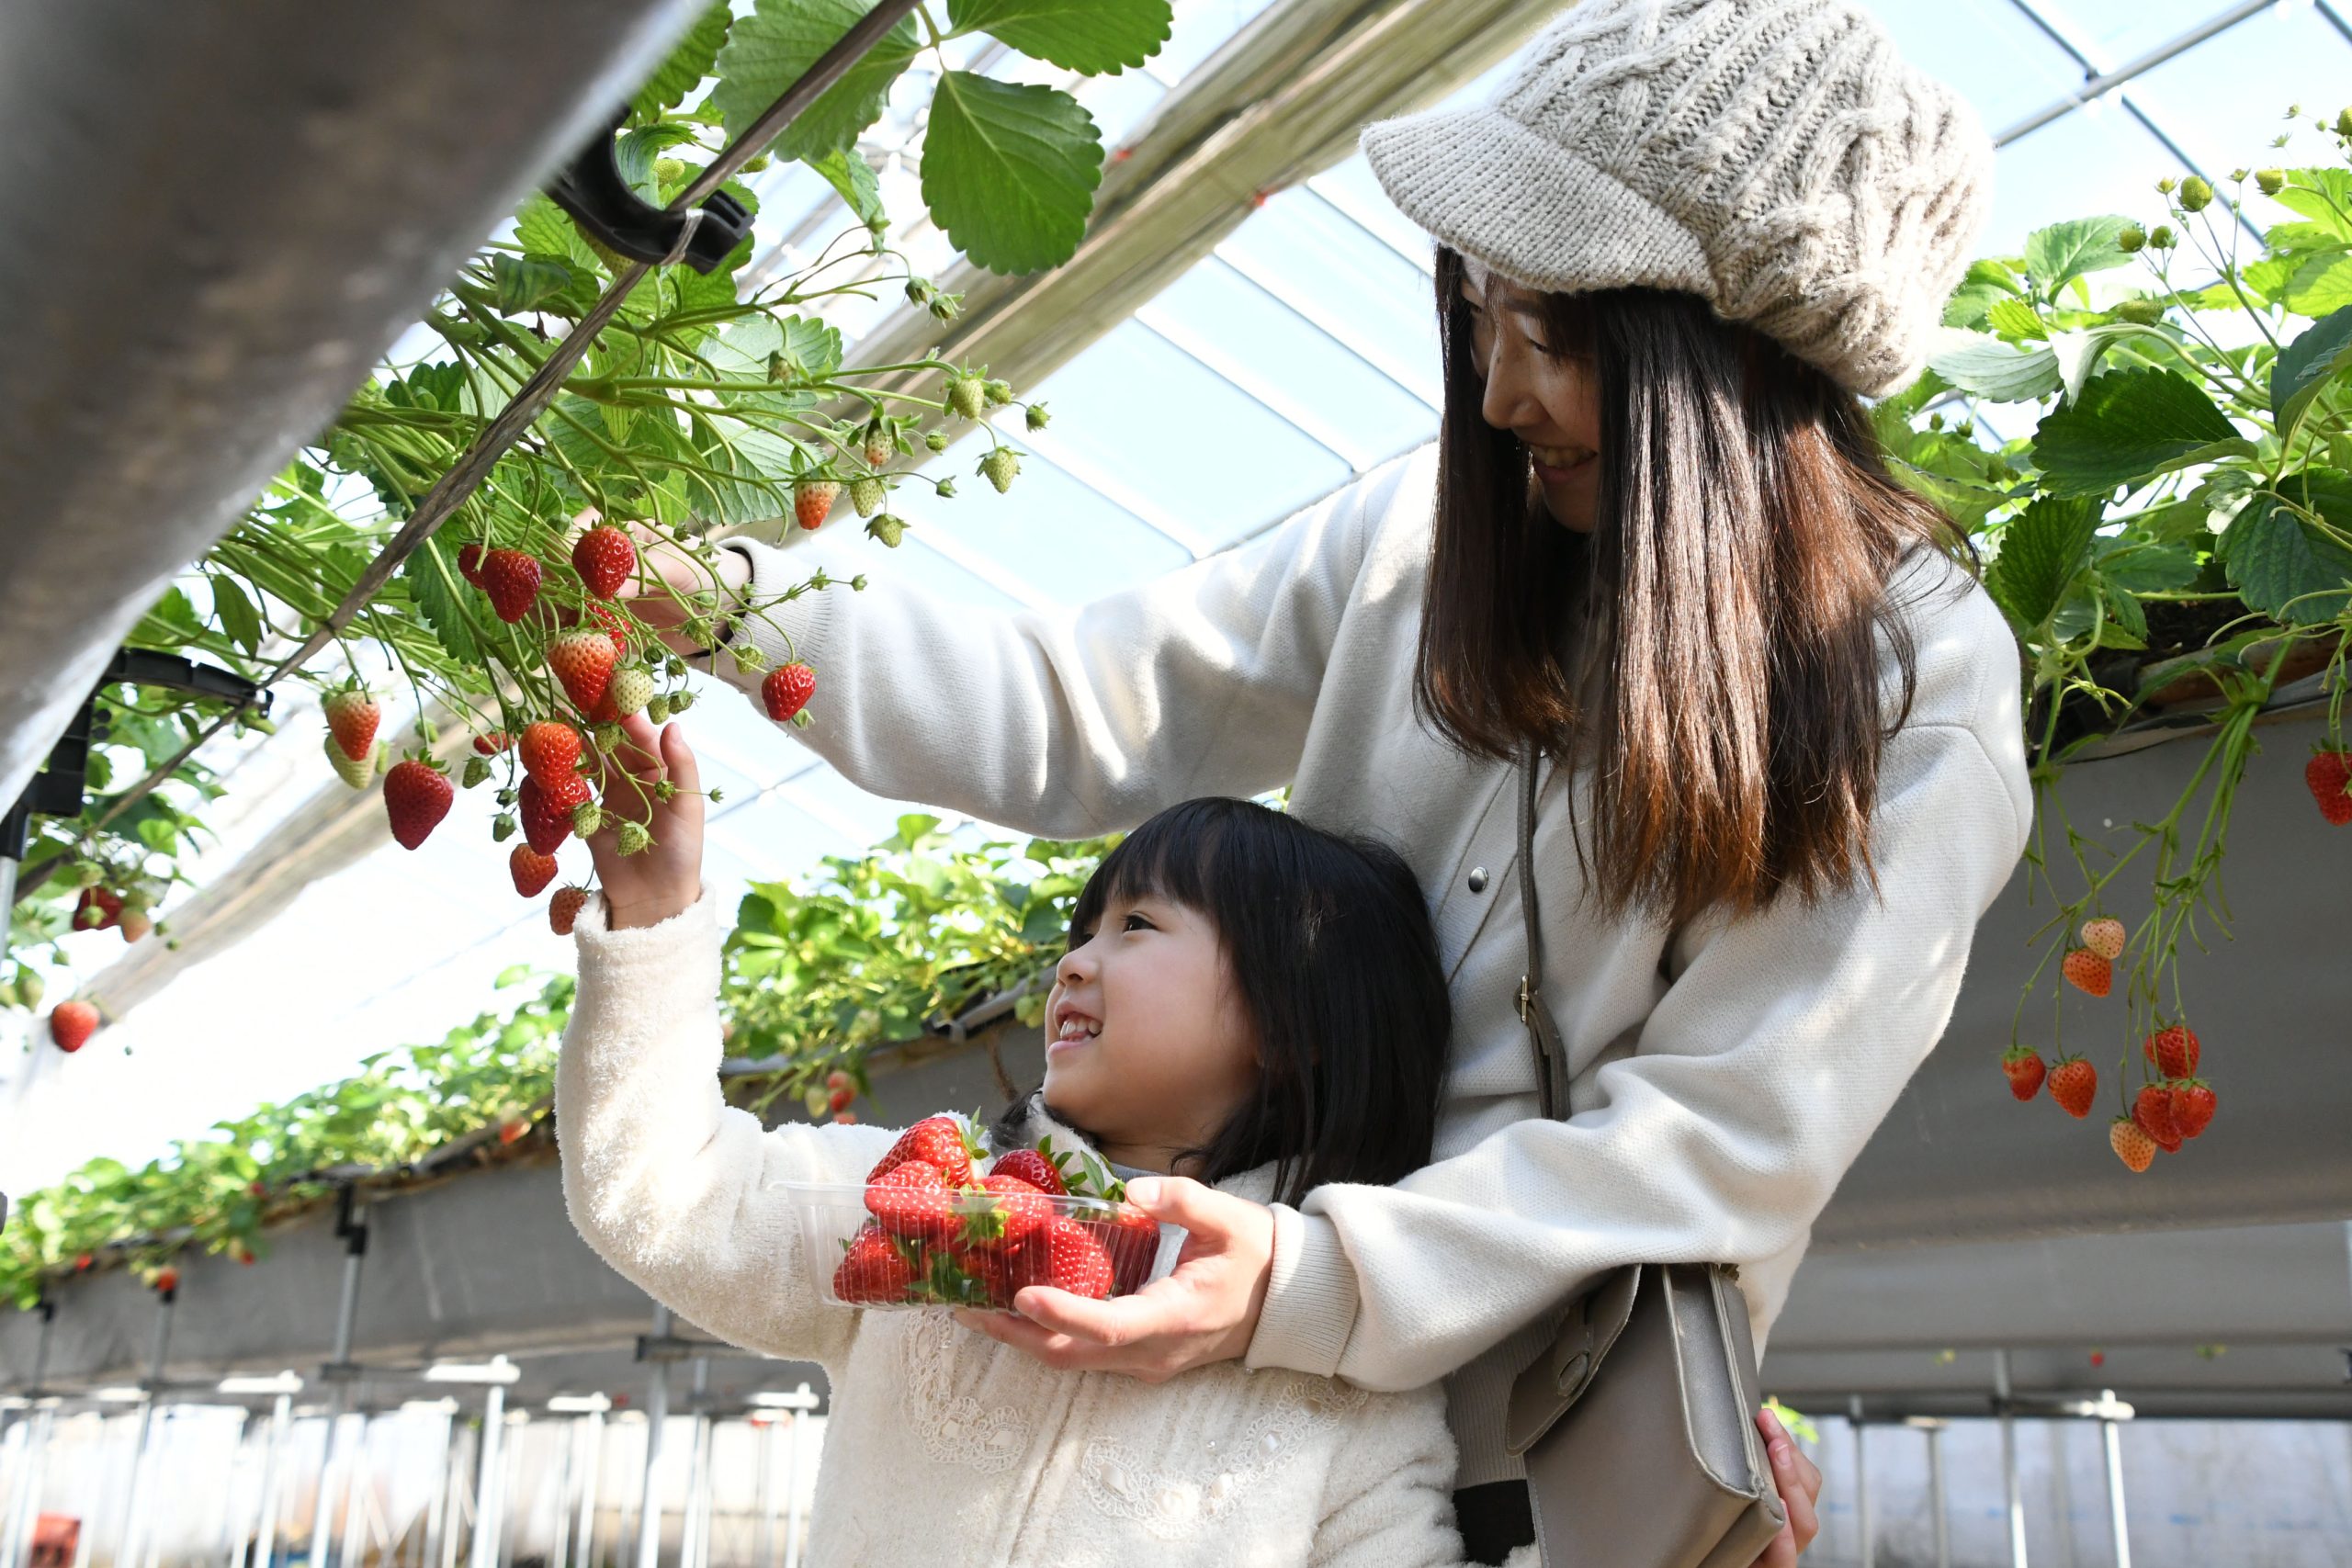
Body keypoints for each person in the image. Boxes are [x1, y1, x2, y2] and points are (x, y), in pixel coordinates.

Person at [623, 0, 2030, 1559]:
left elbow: (1725, 1128)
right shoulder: (1422, 545)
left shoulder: (1912, 685)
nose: (1496, 395)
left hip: (1516, 1468)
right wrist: (712, 596)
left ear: (1720, 353)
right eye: (1478, 318)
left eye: (1548, 335)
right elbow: (1076, 708)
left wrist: (1315, 1280)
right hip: (1236, 1332)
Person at [559, 771, 1537, 1565]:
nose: (1072, 963)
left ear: (1295, 1024)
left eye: (1137, 927)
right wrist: (651, 917)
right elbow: (664, 1193)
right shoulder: (923, 1202)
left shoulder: (1343, 1377)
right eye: (1080, 933)